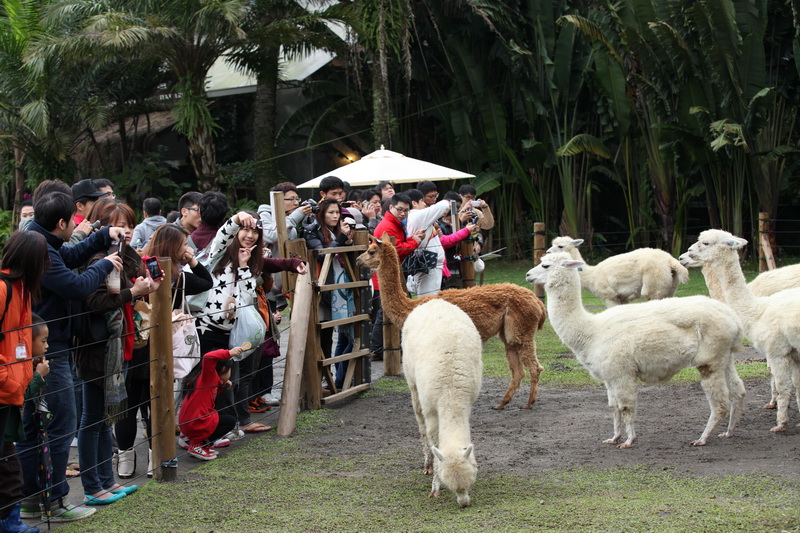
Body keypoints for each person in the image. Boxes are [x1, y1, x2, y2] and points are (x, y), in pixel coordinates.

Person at [17, 191, 125, 523]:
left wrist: (104, 236)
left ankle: (33, 499)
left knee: (35, 426)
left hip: (43, 342)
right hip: (48, 347)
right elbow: (76, 286)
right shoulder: (40, 251)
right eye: (73, 222)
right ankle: (56, 500)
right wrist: (106, 263)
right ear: (62, 222)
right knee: (60, 423)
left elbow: (70, 251)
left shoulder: (39, 238)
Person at [74, 200, 160, 506]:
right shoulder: (97, 257)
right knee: (92, 419)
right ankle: (93, 485)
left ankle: (105, 481)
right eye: (117, 224)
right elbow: (93, 302)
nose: (123, 230)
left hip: (116, 345)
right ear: (101, 225)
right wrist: (133, 293)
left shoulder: (120, 256)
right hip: (97, 348)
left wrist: (139, 285)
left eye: (128, 224)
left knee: (101, 420)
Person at [195, 210, 306, 438]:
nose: (250, 235)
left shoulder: (251, 261)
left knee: (226, 382)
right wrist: (236, 218)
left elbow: (247, 297)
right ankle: (196, 431)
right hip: (206, 328)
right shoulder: (220, 252)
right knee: (203, 381)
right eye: (246, 230)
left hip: (229, 331)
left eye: (255, 232)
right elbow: (223, 235)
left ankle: (218, 428)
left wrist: (292, 264)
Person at [0, 232, 51, 533]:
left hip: (12, 393)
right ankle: (10, 522)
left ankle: (10, 521)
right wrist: (7, 379)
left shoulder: (23, 290)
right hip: (5, 390)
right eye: (43, 259)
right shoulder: (4, 289)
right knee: (8, 466)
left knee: (7, 462)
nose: (47, 266)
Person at [303, 199, 355, 388]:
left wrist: (349, 241)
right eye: (331, 212)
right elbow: (323, 254)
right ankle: (323, 379)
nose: (335, 216)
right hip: (322, 289)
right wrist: (342, 240)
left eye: (337, 213)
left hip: (341, 289)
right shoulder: (312, 230)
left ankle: (337, 379)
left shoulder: (338, 231)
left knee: (344, 334)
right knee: (323, 335)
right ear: (322, 213)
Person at [368, 193, 424, 361]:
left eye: (406, 211)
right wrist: (415, 241)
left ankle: (380, 347)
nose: (403, 213)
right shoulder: (388, 226)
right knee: (384, 311)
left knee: (384, 311)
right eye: (400, 209)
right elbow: (396, 250)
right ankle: (377, 347)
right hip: (385, 276)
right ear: (391, 207)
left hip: (391, 274)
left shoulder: (395, 223)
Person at [178, 347, 244, 460]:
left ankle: (200, 444)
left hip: (189, 422)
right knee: (229, 421)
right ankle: (198, 444)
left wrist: (222, 384)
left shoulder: (206, 379)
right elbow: (208, 357)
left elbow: (208, 396)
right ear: (223, 369)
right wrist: (228, 353)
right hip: (195, 423)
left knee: (222, 417)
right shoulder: (208, 377)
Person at [406, 189, 476, 296]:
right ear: (414, 203)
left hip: (431, 265)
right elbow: (442, 206)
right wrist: (450, 202)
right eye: (422, 201)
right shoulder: (417, 216)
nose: (425, 204)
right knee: (428, 301)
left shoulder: (417, 217)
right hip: (429, 266)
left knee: (430, 300)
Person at [459, 184, 494, 255]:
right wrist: (463, 210)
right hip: (459, 248)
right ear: (460, 196)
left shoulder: (476, 212)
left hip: (473, 249)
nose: (471, 200)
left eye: (473, 198)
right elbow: (453, 227)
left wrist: (485, 208)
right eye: (468, 197)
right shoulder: (454, 211)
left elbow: (488, 225)